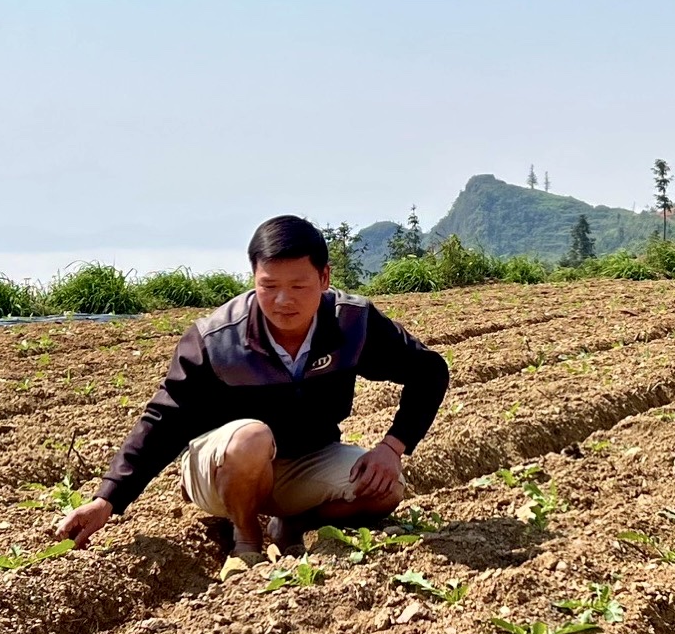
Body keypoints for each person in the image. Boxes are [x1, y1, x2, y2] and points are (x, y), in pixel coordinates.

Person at [56, 216, 450, 561]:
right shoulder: (217, 338)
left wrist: (391, 448)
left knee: (386, 489)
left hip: (304, 460)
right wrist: (108, 498)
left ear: (324, 278)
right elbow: (165, 417)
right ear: (253, 280)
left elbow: (429, 371)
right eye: (269, 285)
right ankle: (246, 538)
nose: (283, 301)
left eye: (298, 286)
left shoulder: (352, 323)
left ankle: (292, 523)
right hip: (222, 468)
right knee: (251, 437)